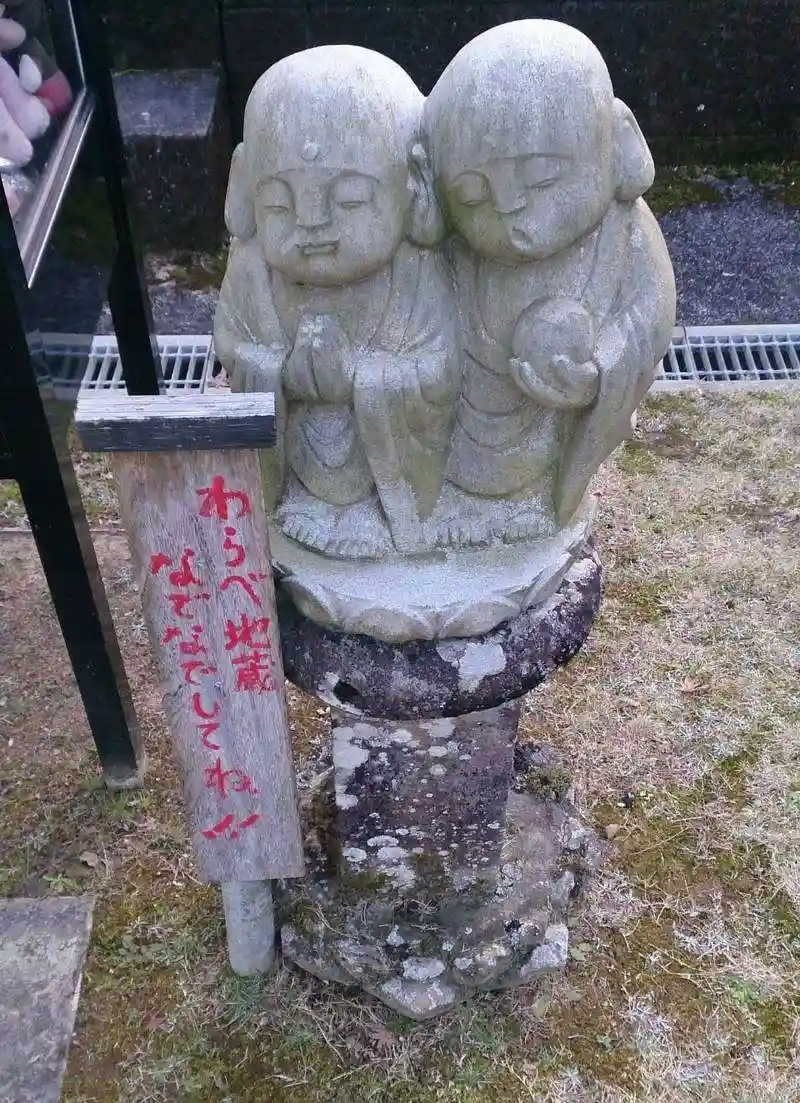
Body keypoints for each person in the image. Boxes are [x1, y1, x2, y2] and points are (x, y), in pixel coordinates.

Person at [424, 20, 676, 545]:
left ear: (618, 143)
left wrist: (598, 369)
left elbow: (647, 319)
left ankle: (536, 506)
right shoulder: (459, 252)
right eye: (473, 195)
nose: (508, 205)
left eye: (540, 175)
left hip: (548, 419)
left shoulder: (622, 234)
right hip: (467, 429)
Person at [215, 46, 459, 560]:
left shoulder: (416, 269)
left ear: (412, 183)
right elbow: (231, 344)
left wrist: (355, 378)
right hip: (302, 456)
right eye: (279, 202)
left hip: (384, 466)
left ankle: (383, 516)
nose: (312, 224)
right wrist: (280, 373)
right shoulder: (253, 269)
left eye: (349, 199)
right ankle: (298, 506)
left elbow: (441, 367)